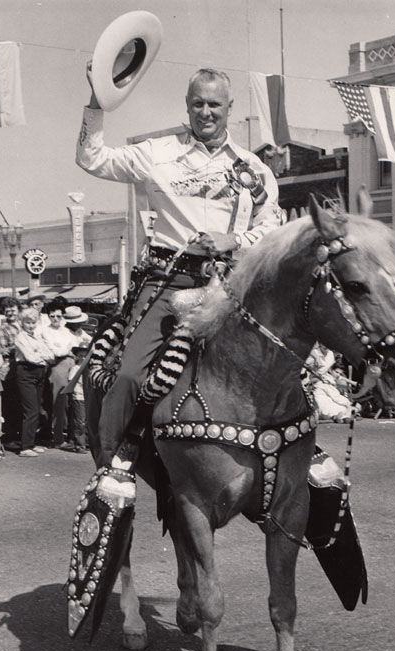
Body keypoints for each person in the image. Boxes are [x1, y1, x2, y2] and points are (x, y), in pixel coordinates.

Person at [76, 64, 282, 471]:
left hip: (230, 286)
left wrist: (235, 240)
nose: (206, 112)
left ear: (230, 108)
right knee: (130, 376)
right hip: (168, 283)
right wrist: (98, 99)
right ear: (187, 106)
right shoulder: (157, 153)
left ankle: (298, 458)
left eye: (215, 105)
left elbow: (271, 224)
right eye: (197, 103)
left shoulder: (254, 168)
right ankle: (112, 467)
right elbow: (91, 157)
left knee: (284, 368)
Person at [14, 308, 56, 457]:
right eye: (27, 322)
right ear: (22, 323)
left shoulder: (37, 337)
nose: (31, 325)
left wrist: (41, 355)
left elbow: (52, 355)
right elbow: (30, 357)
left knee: (37, 409)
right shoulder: (20, 337)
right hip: (26, 372)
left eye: (33, 322)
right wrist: (42, 355)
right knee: (30, 410)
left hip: (39, 373)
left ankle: (31, 443)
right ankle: (25, 447)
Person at [42, 302, 78, 448]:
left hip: (71, 364)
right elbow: (56, 352)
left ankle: (72, 436)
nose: (55, 318)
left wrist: (66, 348)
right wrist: (66, 349)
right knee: (59, 402)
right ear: (48, 316)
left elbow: (75, 346)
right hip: (57, 366)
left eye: (58, 315)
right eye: (52, 316)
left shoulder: (67, 331)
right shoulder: (44, 331)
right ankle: (57, 438)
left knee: (73, 401)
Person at [0, 297, 22, 446]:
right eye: (7, 311)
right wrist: (20, 345)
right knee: (11, 405)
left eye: (13, 310)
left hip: (23, 369)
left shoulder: (23, 325)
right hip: (9, 371)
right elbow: (3, 350)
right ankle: (10, 437)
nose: (10, 313)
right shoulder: (3, 329)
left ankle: (20, 435)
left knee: (21, 404)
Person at [66, 345, 89, 453]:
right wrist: (76, 393)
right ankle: (79, 444)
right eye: (81, 356)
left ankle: (86, 442)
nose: (83, 358)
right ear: (77, 357)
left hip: (88, 397)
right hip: (79, 396)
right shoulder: (75, 368)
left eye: (86, 356)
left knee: (86, 420)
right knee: (80, 421)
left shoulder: (89, 369)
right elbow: (72, 382)